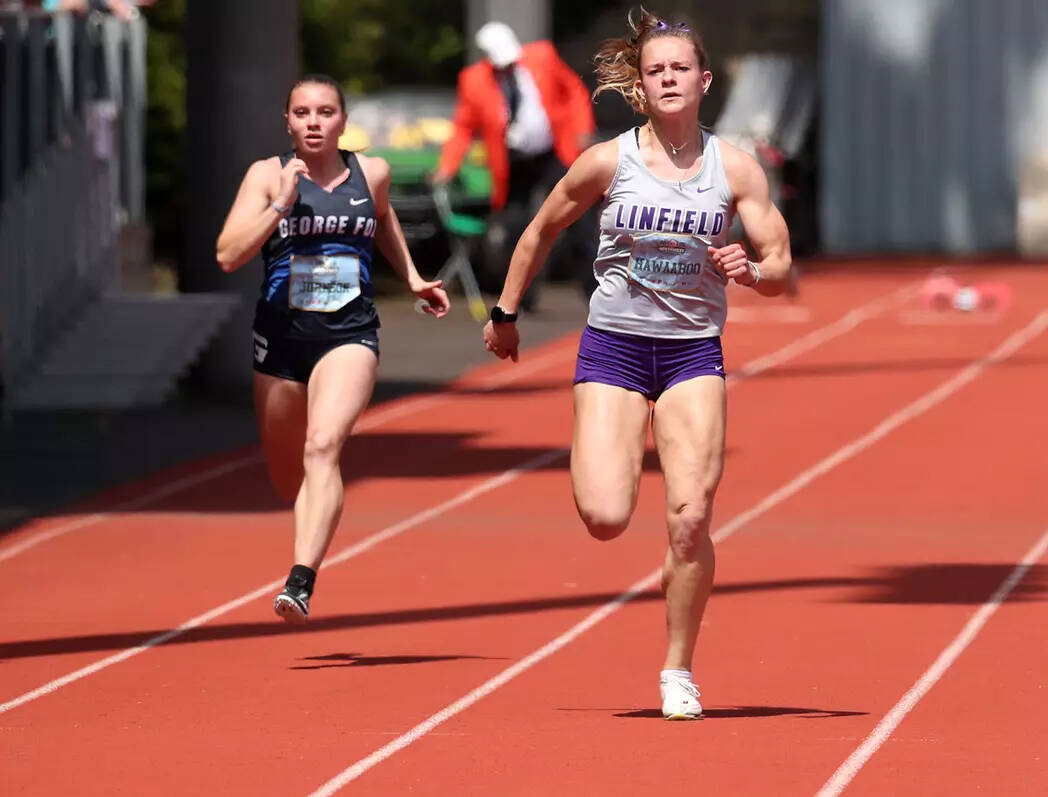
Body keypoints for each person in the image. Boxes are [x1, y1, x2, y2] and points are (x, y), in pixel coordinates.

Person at [480, 9, 793, 718]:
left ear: (704, 80)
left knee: (689, 519)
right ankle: (604, 463)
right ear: (642, 88)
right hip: (614, 348)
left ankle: (677, 670)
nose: (670, 78)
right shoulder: (607, 161)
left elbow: (780, 262)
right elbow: (540, 228)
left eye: (681, 67)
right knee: (605, 514)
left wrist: (752, 269)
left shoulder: (733, 168)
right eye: (657, 71)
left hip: (691, 356)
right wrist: (503, 312)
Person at [215, 74, 450, 625]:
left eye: (325, 112)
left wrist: (412, 276)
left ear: (343, 122)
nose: (314, 122)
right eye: (302, 113)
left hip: (349, 335)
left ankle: (301, 580)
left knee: (322, 447)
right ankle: (310, 522)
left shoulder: (372, 172)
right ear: (288, 122)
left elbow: (383, 215)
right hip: (279, 342)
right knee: (286, 478)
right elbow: (227, 255)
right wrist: (280, 206)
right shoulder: (267, 175)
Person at [431, 21, 597, 312]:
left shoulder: (543, 56)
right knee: (515, 226)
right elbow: (463, 127)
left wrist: (582, 128)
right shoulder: (474, 81)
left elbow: (574, 91)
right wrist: (447, 166)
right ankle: (520, 297)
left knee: (578, 218)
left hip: (553, 152)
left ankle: (597, 292)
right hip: (514, 162)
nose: (506, 69)